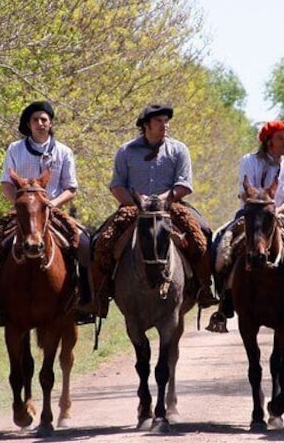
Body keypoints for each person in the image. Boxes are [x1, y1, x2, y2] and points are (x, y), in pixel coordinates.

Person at [88, 103, 219, 318]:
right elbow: (117, 184)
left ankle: (205, 288)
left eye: (166, 121)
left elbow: (184, 184)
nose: (164, 125)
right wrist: (135, 204)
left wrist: (160, 201)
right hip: (133, 208)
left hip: (172, 207)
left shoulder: (179, 149)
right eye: (159, 121)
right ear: (146, 125)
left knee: (202, 233)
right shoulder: (126, 151)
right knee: (101, 240)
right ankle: (100, 296)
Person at [0, 100, 93, 326]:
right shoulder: (14, 149)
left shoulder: (64, 151)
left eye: (44, 120)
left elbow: (71, 188)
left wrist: (52, 204)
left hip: (53, 210)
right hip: (21, 212)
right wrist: (20, 205)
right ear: (28, 125)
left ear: (50, 123)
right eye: (35, 120)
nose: (40, 123)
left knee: (86, 245)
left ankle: (85, 303)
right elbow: (6, 183)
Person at [206, 119, 284, 333]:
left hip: (283, 214)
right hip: (251, 213)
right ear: (268, 141)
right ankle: (224, 300)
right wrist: (259, 205)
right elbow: (244, 189)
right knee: (220, 244)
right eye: (280, 138)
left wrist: (277, 211)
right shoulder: (250, 160)